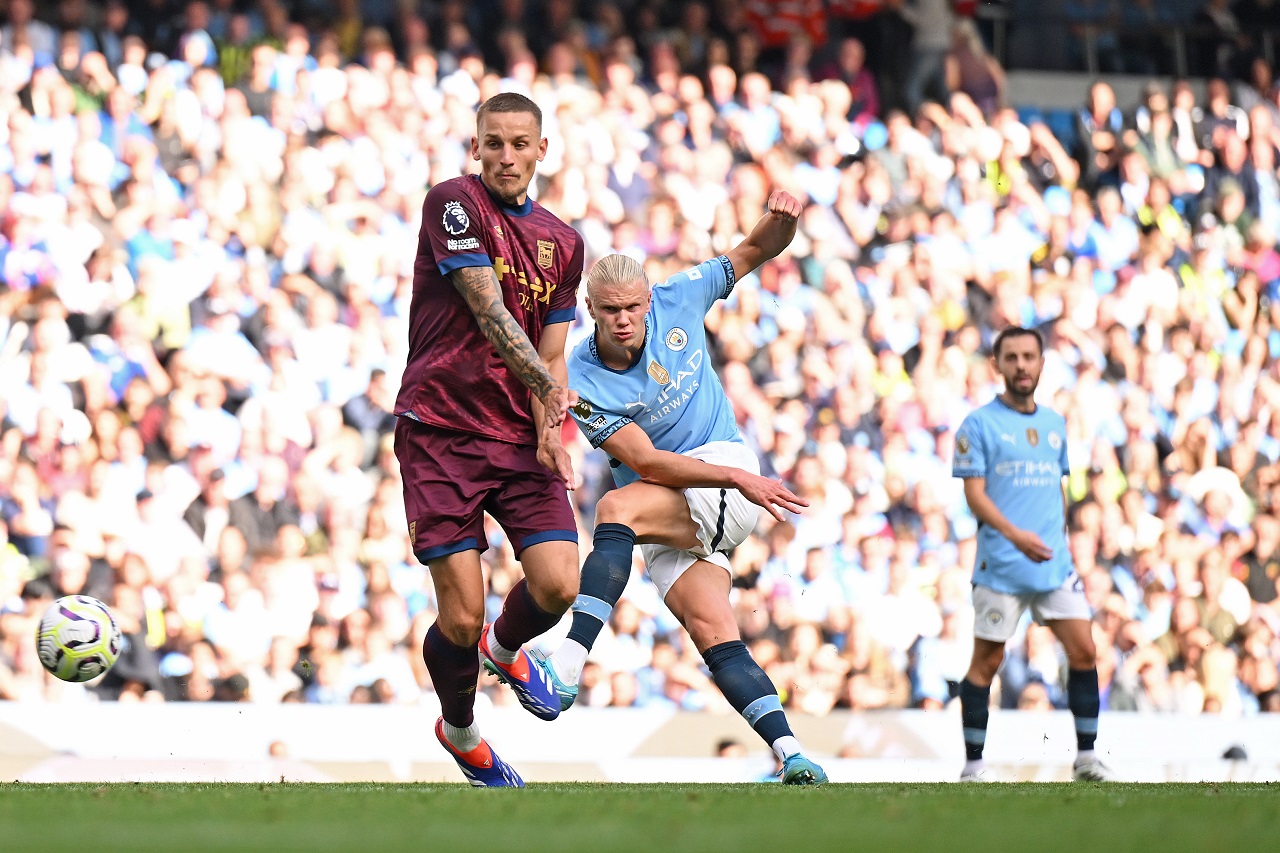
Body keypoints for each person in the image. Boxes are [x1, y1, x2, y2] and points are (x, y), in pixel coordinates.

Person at [526, 190, 827, 785]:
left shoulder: (679, 296)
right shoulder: (580, 378)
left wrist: (782, 219)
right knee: (713, 630)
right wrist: (737, 480)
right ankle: (793, 754)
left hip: (723, 472)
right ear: (590, 309)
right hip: (680, 498)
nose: (624, 320)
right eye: (610, 309)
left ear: (647, 299)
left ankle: (566, 663)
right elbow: (651, 463)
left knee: (613, 506)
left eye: (633, 306)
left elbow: (756, 249)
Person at [393, 92, 585, 788]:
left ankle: (508, 648)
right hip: (441, 428)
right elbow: (489, 307)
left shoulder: (564, 241)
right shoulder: (453, 202)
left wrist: (548, 427)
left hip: (515, 433)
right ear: (476, 147)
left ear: (541, 150)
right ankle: (462, 729)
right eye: (493, 142)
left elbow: (551, 348)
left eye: (519, 143)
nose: (506, 155)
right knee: (462, 613)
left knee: (561, 581)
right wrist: (554, 392)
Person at [951, 326, 1113, 783]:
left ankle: (1085, 758)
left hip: (1053, 564)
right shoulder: (978, 424)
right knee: (987, 662)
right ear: (997, 365)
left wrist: (1057, 538)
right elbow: (975, 496)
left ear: (1042, 364)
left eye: (1029, 357)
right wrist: (1017, 535)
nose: (1021, 365)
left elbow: (1057, 489)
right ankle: (974, 765)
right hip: (1002, 565)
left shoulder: (1055, 424)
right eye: (1012, 358)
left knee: (1084, 650)